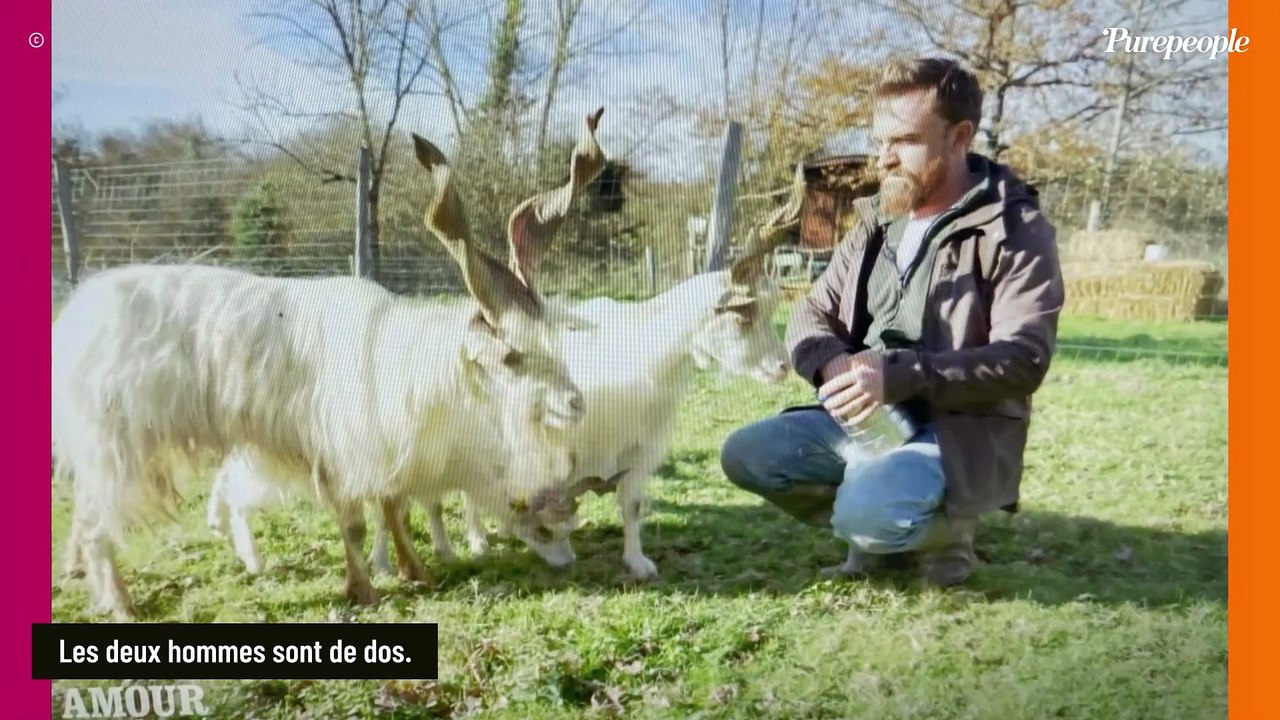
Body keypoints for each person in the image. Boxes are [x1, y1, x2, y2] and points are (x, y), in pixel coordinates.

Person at [719, 56, 1065, 587]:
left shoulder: (1015, 229)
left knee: (870, 518)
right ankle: (885, 518)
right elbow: (813, 311)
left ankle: (939, 531)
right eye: (879, 141)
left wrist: (898, 375)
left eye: (904, 141)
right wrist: (833, 365)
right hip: (871, 417)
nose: (884, 158)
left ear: (959, 136)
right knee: (748, 455)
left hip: (956, 426)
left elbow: (1024, 360)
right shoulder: (879, 217)